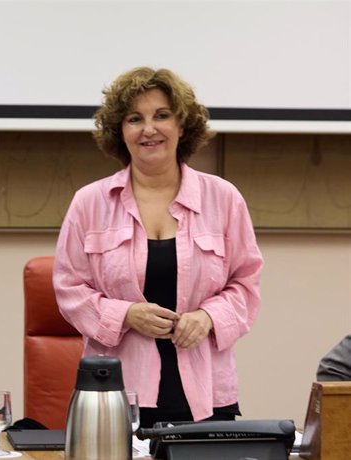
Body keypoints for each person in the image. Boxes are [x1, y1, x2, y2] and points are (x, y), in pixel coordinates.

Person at [53, 67, 263, 429]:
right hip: (116, 397)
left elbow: (246, 285)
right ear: (121, 132)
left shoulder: (223, 199)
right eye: (135, 119)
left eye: (161, 116)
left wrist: (208, 317)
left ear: (182, 126)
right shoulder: (89, 202)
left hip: (208, 395)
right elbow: (69, 289)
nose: (149, 129)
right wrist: (125, 315)